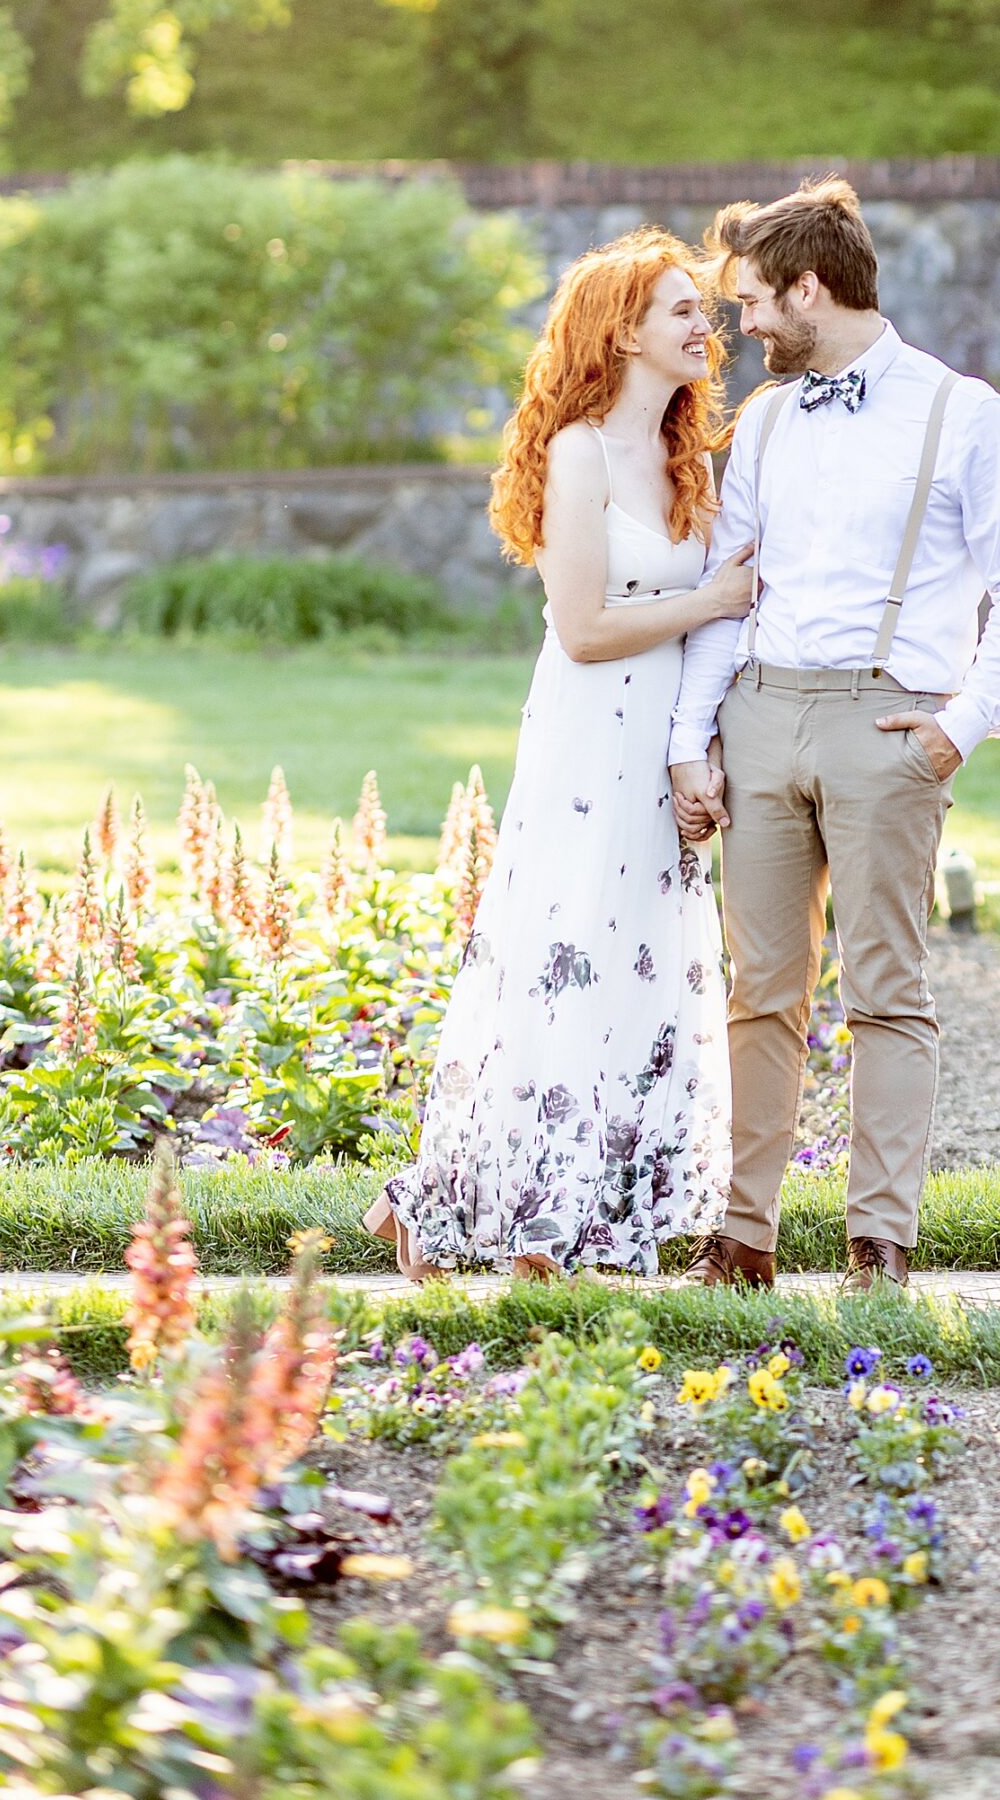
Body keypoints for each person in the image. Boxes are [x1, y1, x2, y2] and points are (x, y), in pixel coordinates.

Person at [669, 177, 1000, 1294]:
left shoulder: (964, 412)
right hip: (762, 713)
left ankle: (878, 1242)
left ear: (808, 287)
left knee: (886, 990)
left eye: (752, 305)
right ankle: (744, 1237)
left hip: (891, 728)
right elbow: (728, 587)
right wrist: (694, 739)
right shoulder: (772, 420)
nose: (740, 329)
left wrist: (956, 731)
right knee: (760, 991)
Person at [363, 232, 753, 1281]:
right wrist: (711, 596)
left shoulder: (687, 460)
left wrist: (699, 749)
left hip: (660, 743)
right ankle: (508, 1215)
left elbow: (712, 631)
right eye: (678, 309)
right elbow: (581, 626)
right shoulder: (578, 451)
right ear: (623, 330)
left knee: (636, 970)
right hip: (588, 743)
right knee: (561, 962)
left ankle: (587, 1211)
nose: (699, 325)